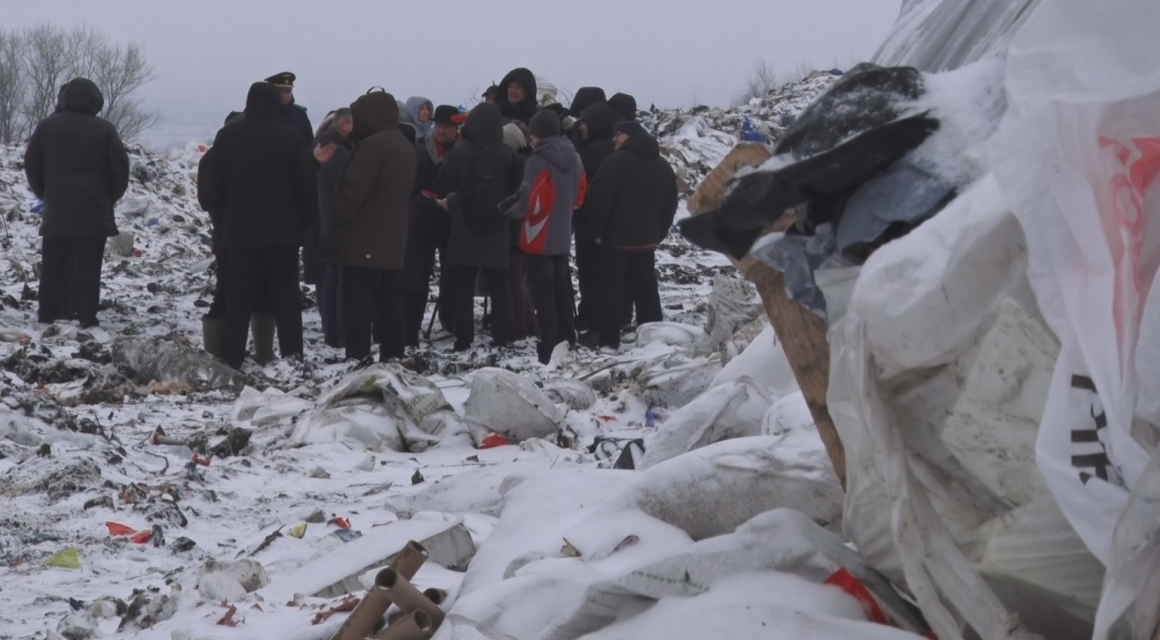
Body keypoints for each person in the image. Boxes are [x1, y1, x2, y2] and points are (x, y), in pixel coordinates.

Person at [201, 82, 318, 369]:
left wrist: (224, 219)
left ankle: (231, 358)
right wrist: (301, 225)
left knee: (238, 299)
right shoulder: (291, 139)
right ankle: (293, 357)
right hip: (283, 235)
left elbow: (213, 188)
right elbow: (307, 190)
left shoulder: (227, 137)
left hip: (239, 233)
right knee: (287, 299)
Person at [24, 77, 130, 328]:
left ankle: (46, 314)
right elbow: (120, 172)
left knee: (52, 265)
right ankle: (87, 315)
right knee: (89, 268)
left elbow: (32, 167)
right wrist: (107, 198)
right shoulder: (105, 130)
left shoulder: (46, 128)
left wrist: (47, 194)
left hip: (57, 210)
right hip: (94, 211)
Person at [323, 91, 416, 363]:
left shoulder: (372, 146)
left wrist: (335, 224)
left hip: (362, 243)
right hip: (393, 242)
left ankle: (359, 358)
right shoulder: (402, 144)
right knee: (390, 304)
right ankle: (393, 355)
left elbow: (352, 193)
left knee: (358, 307)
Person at [579, 120, 677, 350]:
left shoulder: (614, 163)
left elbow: (598, 201)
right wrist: (658, 234)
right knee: (647, 290)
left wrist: (594, 232)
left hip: (616, 242)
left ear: (630, 137)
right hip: (647, 242)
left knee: (610, 291)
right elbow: (670, 205)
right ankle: (654, 338)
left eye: (618, 134)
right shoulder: (663, 166)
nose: (614, 139)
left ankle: (608, 340)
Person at [504, 110, 587, 364]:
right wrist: (568, 209)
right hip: (562, 233)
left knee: (542, 292)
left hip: (538, 235)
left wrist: (513, 210)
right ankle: (567, 337)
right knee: (562, 289)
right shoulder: (573, 155)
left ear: (536, 134)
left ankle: (548, 344)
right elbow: (581, 189)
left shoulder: (538, 160)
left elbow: (531, 199)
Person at [438, 102, 520, 351]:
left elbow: (445, 181)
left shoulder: (461, 151)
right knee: (499, 284)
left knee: (463, 285)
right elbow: (516, 188)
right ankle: (502, 335)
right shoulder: (507, 154)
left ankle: (464, 337)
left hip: (465, 224)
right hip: (498, 225)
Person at [403, 105, 461, 346]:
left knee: (452, 273)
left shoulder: (461, 150)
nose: (440, 132)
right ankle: (412, 323)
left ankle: (450, 318)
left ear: (456, 129)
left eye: (446, 128)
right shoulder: (420, 149)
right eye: (438, 126)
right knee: (417, 273)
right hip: (422, 220)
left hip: (451, 220)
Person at [572, 102, 620, 332]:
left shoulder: (591, 153)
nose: (580, 127)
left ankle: (592, 319)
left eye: (584, 123)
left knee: (591, 274)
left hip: (591, 224)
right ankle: (610, 317)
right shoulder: (614, 149)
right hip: (613, 223)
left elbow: (586, 190)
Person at [314, 108, 354, 348]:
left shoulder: (323, 147)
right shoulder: (338, 152)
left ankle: (332, 330)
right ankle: (338, 332)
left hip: (328, 222)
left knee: (330, 278)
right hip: (340, 223)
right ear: (345, 125)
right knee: (338, 280)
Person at [265, 72, 314, 145]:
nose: (286, 95)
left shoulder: (300, 114)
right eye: (281, 91)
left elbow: (310, 141)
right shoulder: (264, 112)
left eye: (288, 91)